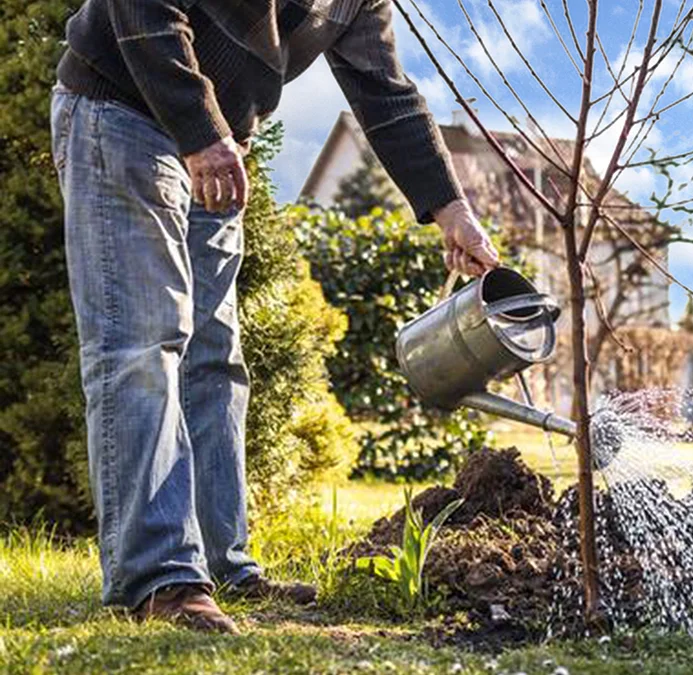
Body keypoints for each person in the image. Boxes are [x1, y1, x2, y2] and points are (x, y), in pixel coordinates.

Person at [49, 0, 500, 634]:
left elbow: (387, 95)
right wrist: (200, 135)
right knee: (144, 343)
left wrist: (452, 212)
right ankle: (159, 577)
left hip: (218, 139)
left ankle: (223, 565)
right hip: (122, 107)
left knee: (213, 357)